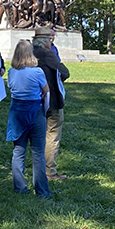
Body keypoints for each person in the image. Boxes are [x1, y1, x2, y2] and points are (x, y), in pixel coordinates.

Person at [6, 40, 51, 198]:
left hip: (17, 111)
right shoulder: (37, 72)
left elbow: (11, 88)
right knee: (38, 152)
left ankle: (20, 187)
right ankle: (42, 190)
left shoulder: (11, 72)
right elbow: (46, 89)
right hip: (35, 111)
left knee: (18, 151)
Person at [32, 27, 70, 181]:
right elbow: (65, 72)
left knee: (37, 136)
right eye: (50, 39)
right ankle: (50, 172)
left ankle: (37, 169)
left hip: (32, 100)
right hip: (52, 100)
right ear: (45, 41)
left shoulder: (28, 52)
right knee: (52, 135)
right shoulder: (47, 54)